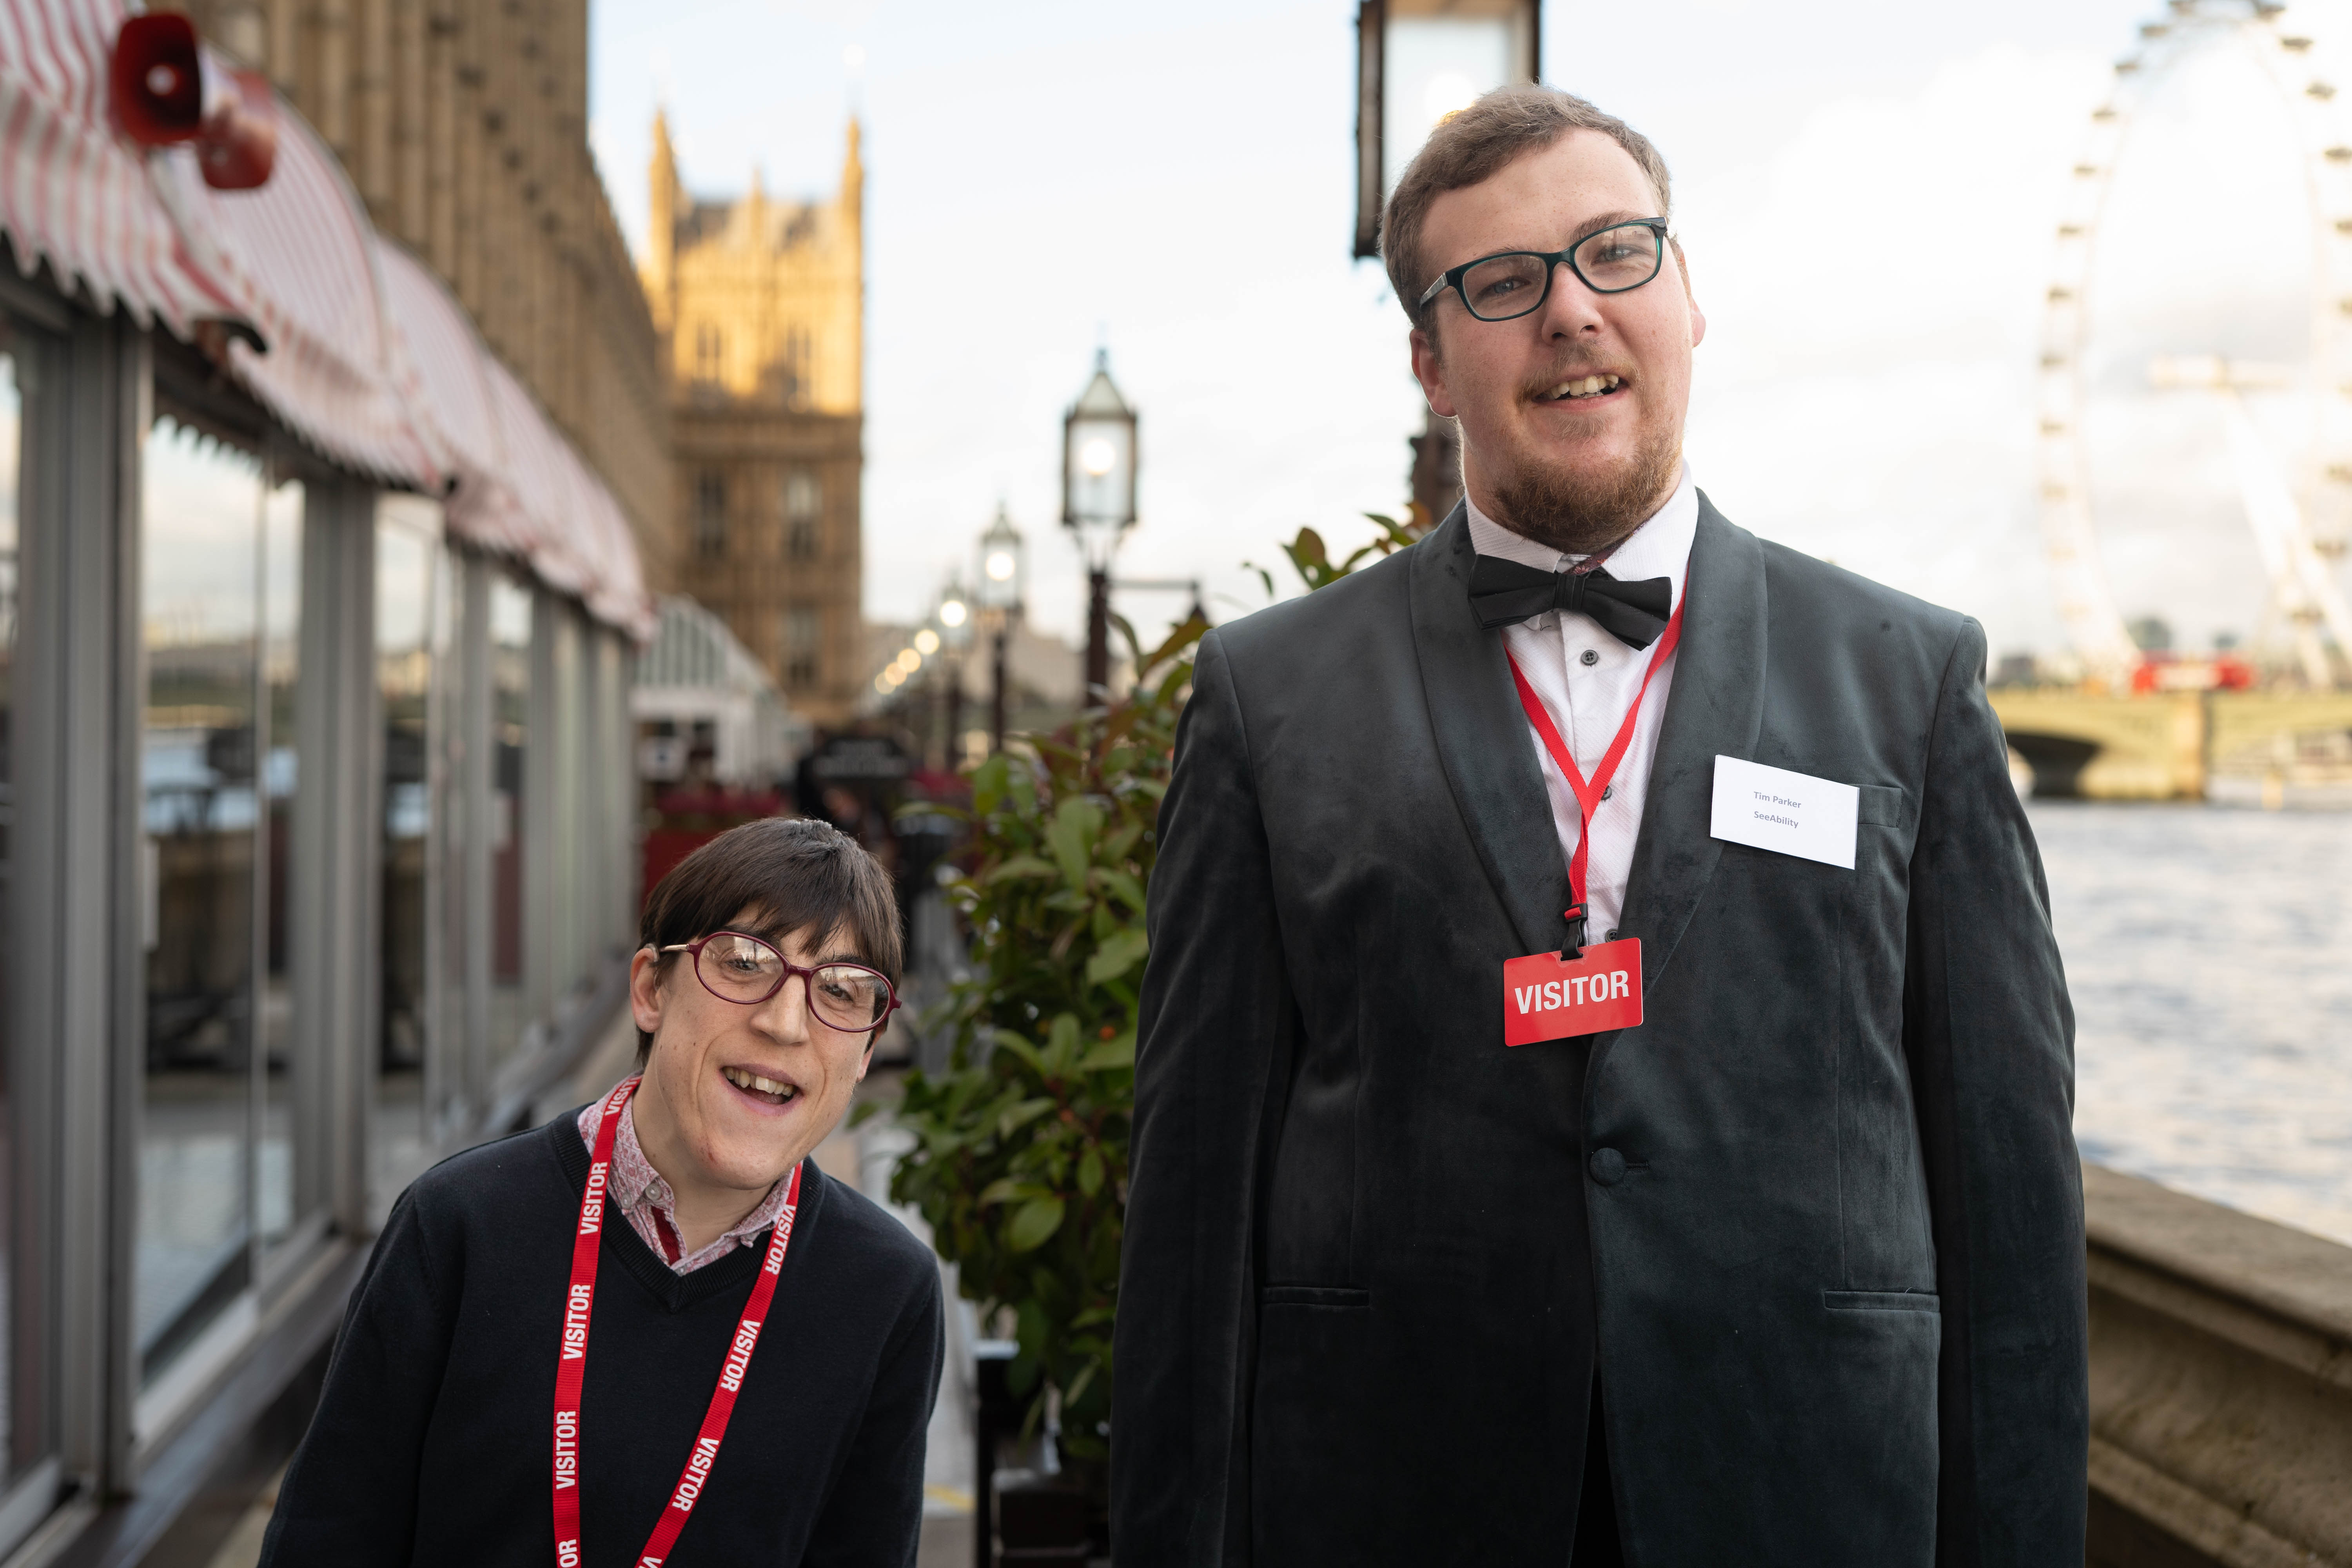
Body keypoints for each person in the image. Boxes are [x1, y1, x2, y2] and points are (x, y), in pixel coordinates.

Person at [1111, 86, 2085, 1567]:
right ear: (1431, 362)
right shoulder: (1268, 694)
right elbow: (1190, 1207)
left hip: (1809, 1493)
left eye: (1615, 253)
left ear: (1688, 300)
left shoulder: (1911, 678)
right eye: (1500, 284)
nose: (1570, 311)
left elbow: (2012, 1200)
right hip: (1389, 1500)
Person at [261, 818, 944, 1567]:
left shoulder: (884, 1290)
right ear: (652, 988)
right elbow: (327, 1540)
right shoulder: (461, 1224)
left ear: (868, 1050)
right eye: (745, 963)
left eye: (843, 991)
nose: (785, 1024)